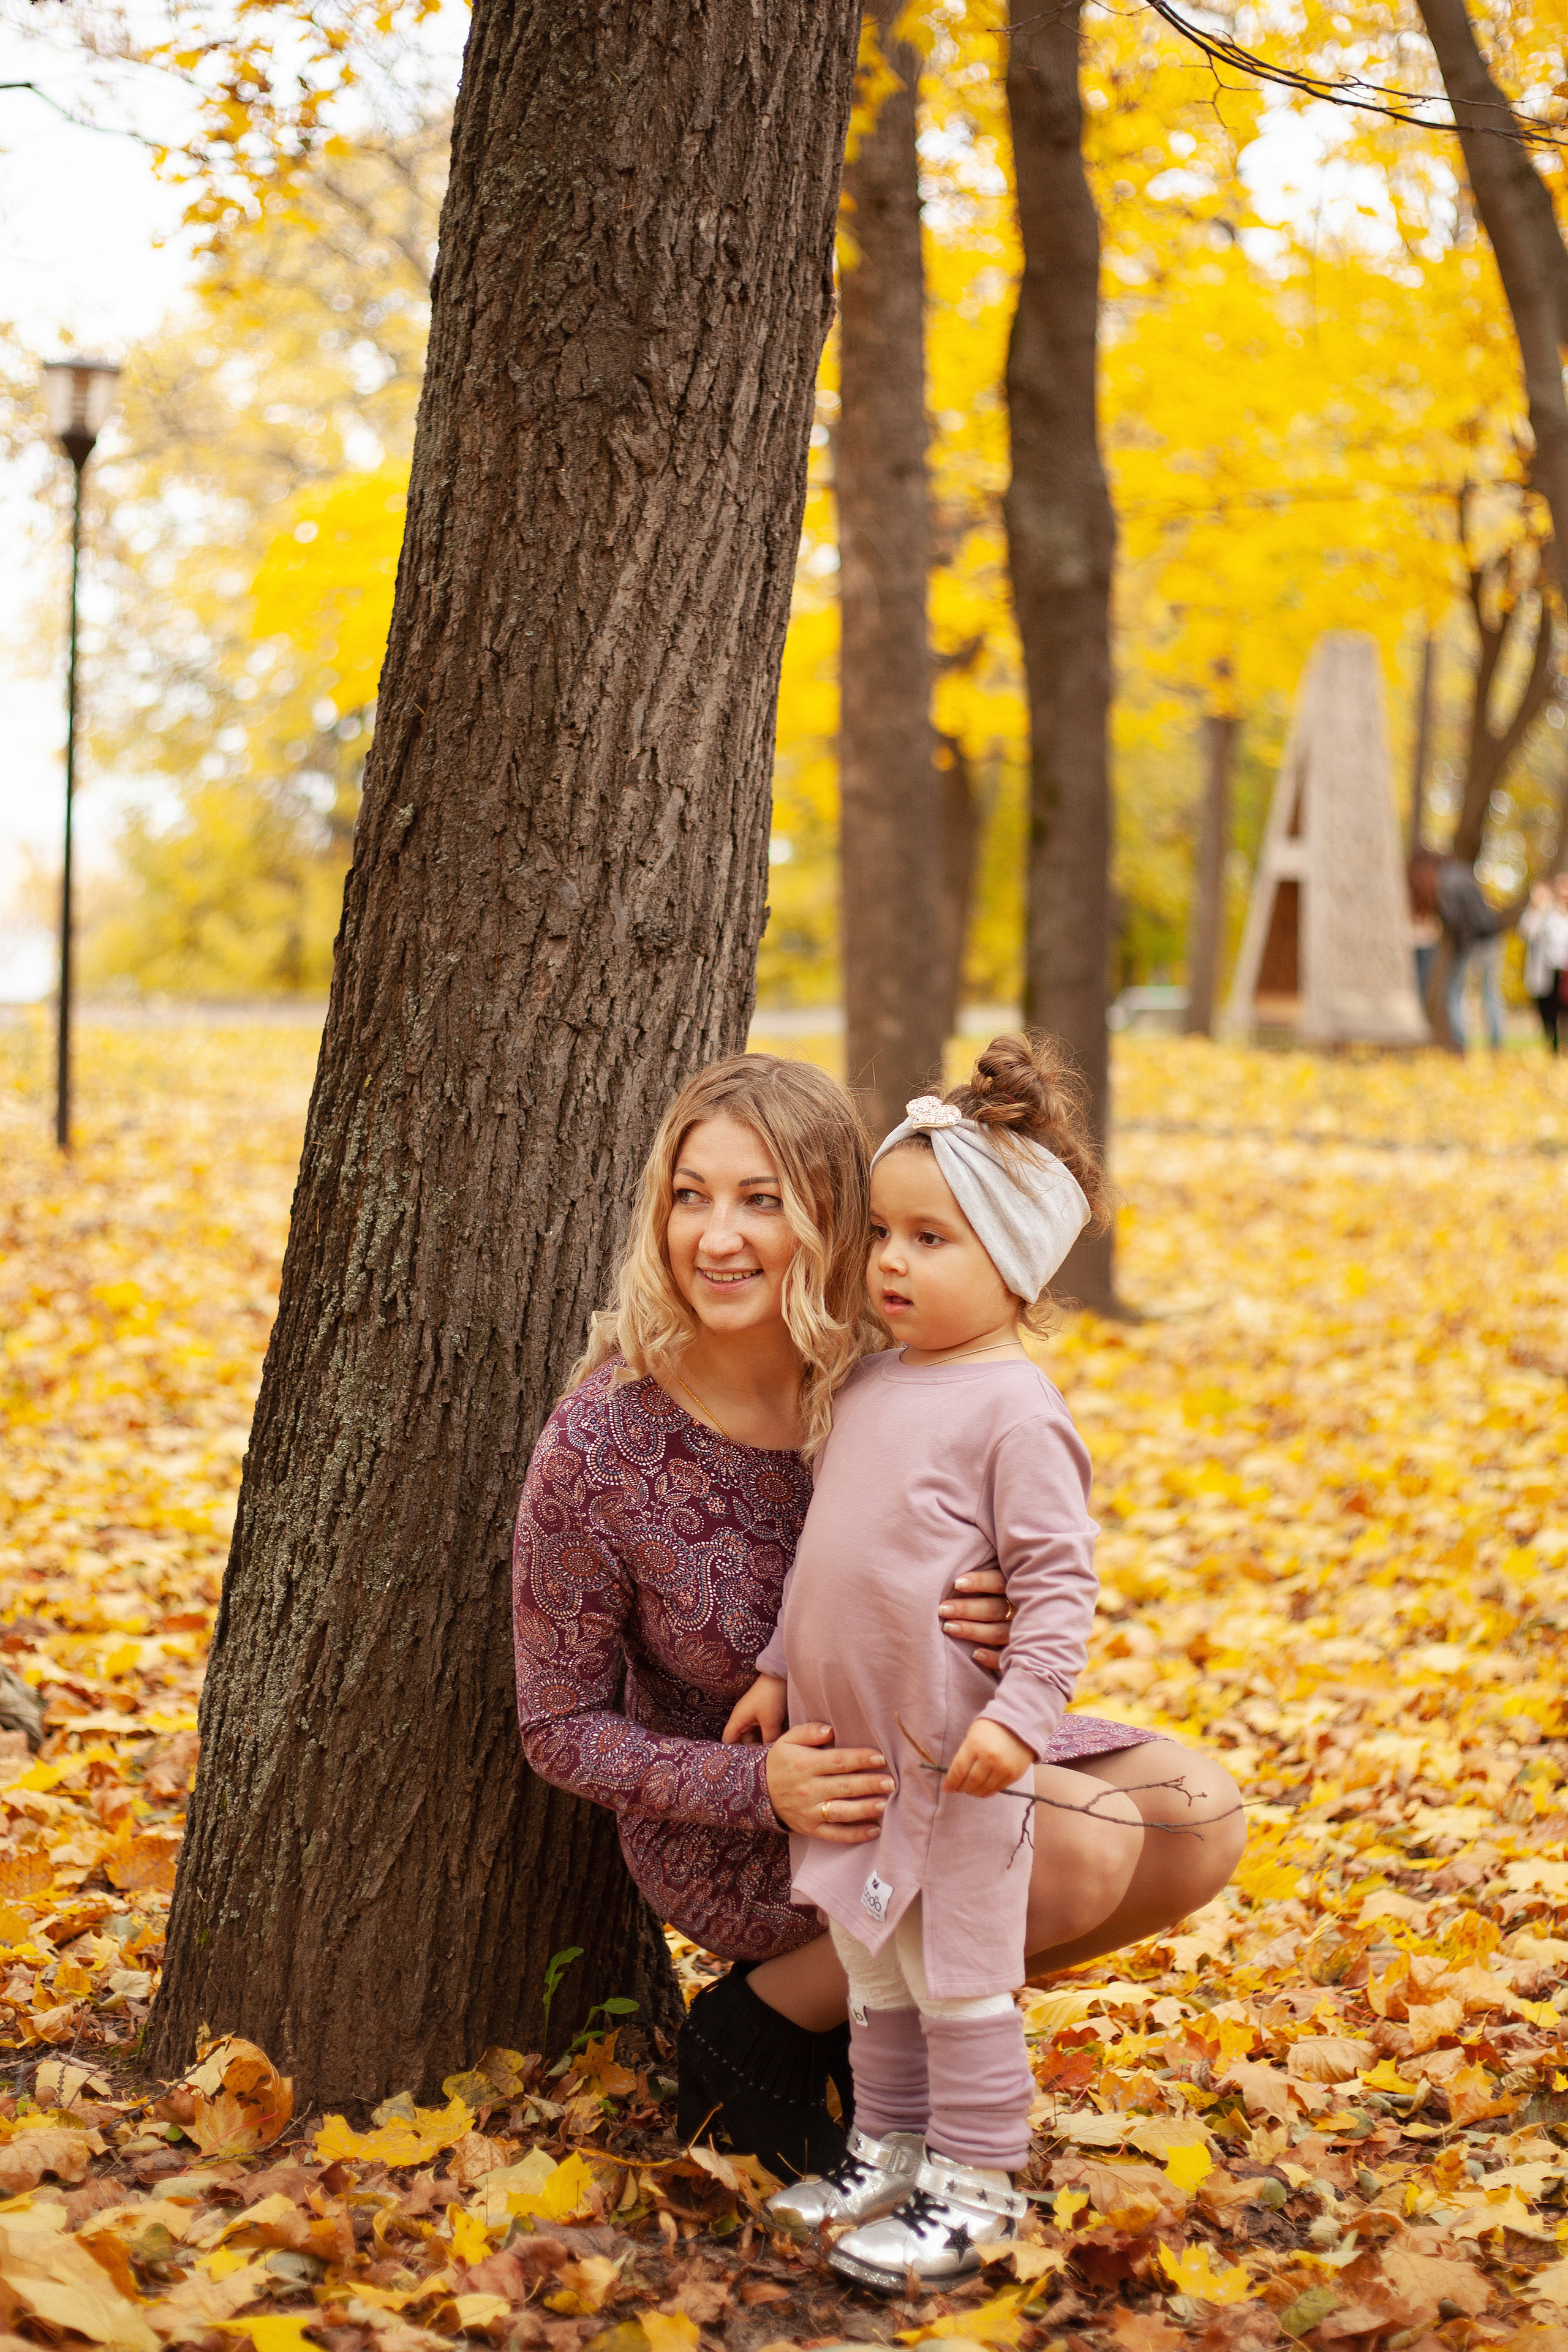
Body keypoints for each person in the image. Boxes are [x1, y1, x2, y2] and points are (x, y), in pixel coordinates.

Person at [511, 1052, 1246, 2179]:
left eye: (763, 1201)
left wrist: (996, 1605)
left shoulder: (876, 1369)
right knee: (1084, 1854)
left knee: (1203, 1821)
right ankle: (761, 2027)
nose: (718, 1236)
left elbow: (1018, 1527)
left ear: (831, 1221)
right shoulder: (605, 1443)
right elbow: (557, 1727)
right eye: (691, 1197)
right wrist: (759, 1784)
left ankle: (889, 2028)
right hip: (767, 1815)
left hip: (924, 1745)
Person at [728, 1039, 1125, 2288]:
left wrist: (1018, 1714)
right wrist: (777, 1669)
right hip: (850, 1750)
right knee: (870, 1965)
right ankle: (886, 2146)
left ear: (1011, 1264)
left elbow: (1056, 1587)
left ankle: (976, 2182)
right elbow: (824, 1560)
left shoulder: (1013, 1408)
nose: (891, 1262)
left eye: (932, 1240)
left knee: (956, 1980)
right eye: (884, 1236)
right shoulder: (868, 1387)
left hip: (954, 1756)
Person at [1434, 853, 1518, 1050]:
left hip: (1470, 943)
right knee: (1490, 992)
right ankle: (1497, 1044)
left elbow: (1453, 918)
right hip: (1491, 936)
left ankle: (1460, 1043)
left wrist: (1459, 946)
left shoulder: (1443, 884)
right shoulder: (1465, 875)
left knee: (1455, 991)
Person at [1521, 875, 1568, 1053]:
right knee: (1548, 1009)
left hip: (1564, 970)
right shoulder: (1546, 914)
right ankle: (1553, 1044)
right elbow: (1527, 931)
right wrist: (1539, 906)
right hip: (1549, 970)